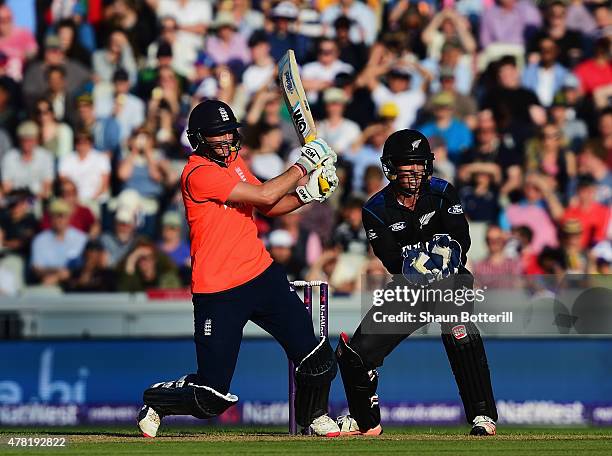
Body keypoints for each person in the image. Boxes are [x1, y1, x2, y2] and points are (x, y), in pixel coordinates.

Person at [136, 99, 342, 437]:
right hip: (219, 290)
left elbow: (268, 206)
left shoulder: (233, 159)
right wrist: (304, 165)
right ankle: (157, 401)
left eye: (229, 133)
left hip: (262, 275)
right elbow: (262, 195)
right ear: (198, 139)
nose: (225, 141)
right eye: (217, 135)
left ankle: (315, 416)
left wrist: (309, 194)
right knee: (210, 398)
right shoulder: (197, 173)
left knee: (318, 359)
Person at [335, 130, 497, 437]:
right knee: (356, 354)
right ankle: (364, 420)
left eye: (419, 163)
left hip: (451, 281)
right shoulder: (375, 209)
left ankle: (483, 416)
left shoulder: (443, 192)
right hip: (409, 287)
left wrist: (444, 258)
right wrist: (421, 263)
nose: (414, 171)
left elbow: (461, 239)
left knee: (459, 334)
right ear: (391, 168)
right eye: (407, 164)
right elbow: (392, 260)